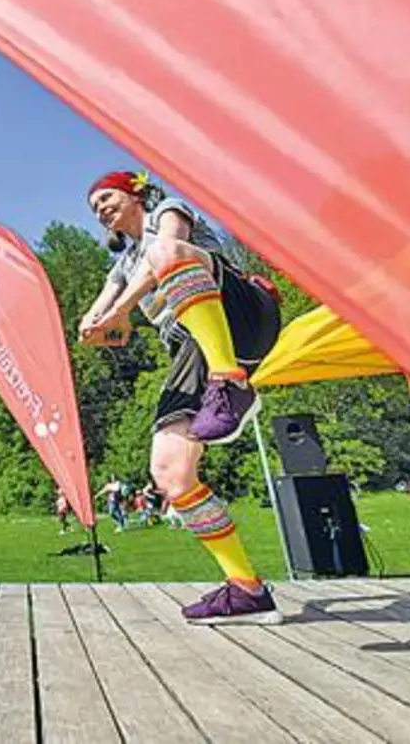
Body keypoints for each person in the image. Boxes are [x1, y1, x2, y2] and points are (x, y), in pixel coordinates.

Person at [78, 169, 283, 624]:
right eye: (94, 208)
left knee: (166, 253)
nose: (101, 210)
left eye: (107, 198)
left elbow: (164, 255)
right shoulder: (121, 266)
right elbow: (99, 310)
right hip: (194, 346)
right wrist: (92, 326)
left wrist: (121, 311)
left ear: (136, 193)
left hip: (240, 311)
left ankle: (231, 383)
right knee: (171, 473)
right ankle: (247, 589)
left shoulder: (167, 212)